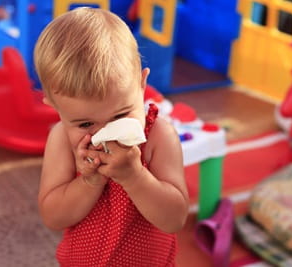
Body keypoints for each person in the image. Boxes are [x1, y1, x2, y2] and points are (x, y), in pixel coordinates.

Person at [34, 7, 189, 266]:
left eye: (120, 116)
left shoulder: (159, 136)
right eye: (85, 123)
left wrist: (135, 176)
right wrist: (89, 181)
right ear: (55, 107)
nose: (105, 133)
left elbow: (174, 219)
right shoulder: (61, 139)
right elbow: (53, 218)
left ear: (141, 86)